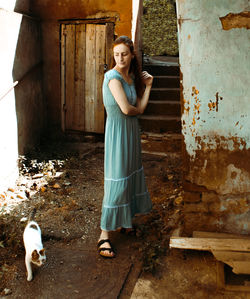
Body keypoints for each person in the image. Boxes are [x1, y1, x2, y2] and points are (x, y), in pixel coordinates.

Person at [97, 35, 153, 258]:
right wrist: (137, 111)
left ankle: (124, 221)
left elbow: (139, 105)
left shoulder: (131, 78)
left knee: (129, 175)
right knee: (117, 180)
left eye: (124, 54)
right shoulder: (112, 77)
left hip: (131, 133)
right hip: (118, 133)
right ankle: (104, 235)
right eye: (116, 54)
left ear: (131, 55)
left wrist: (148, 87)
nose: (120, 57)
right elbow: (128, 110)